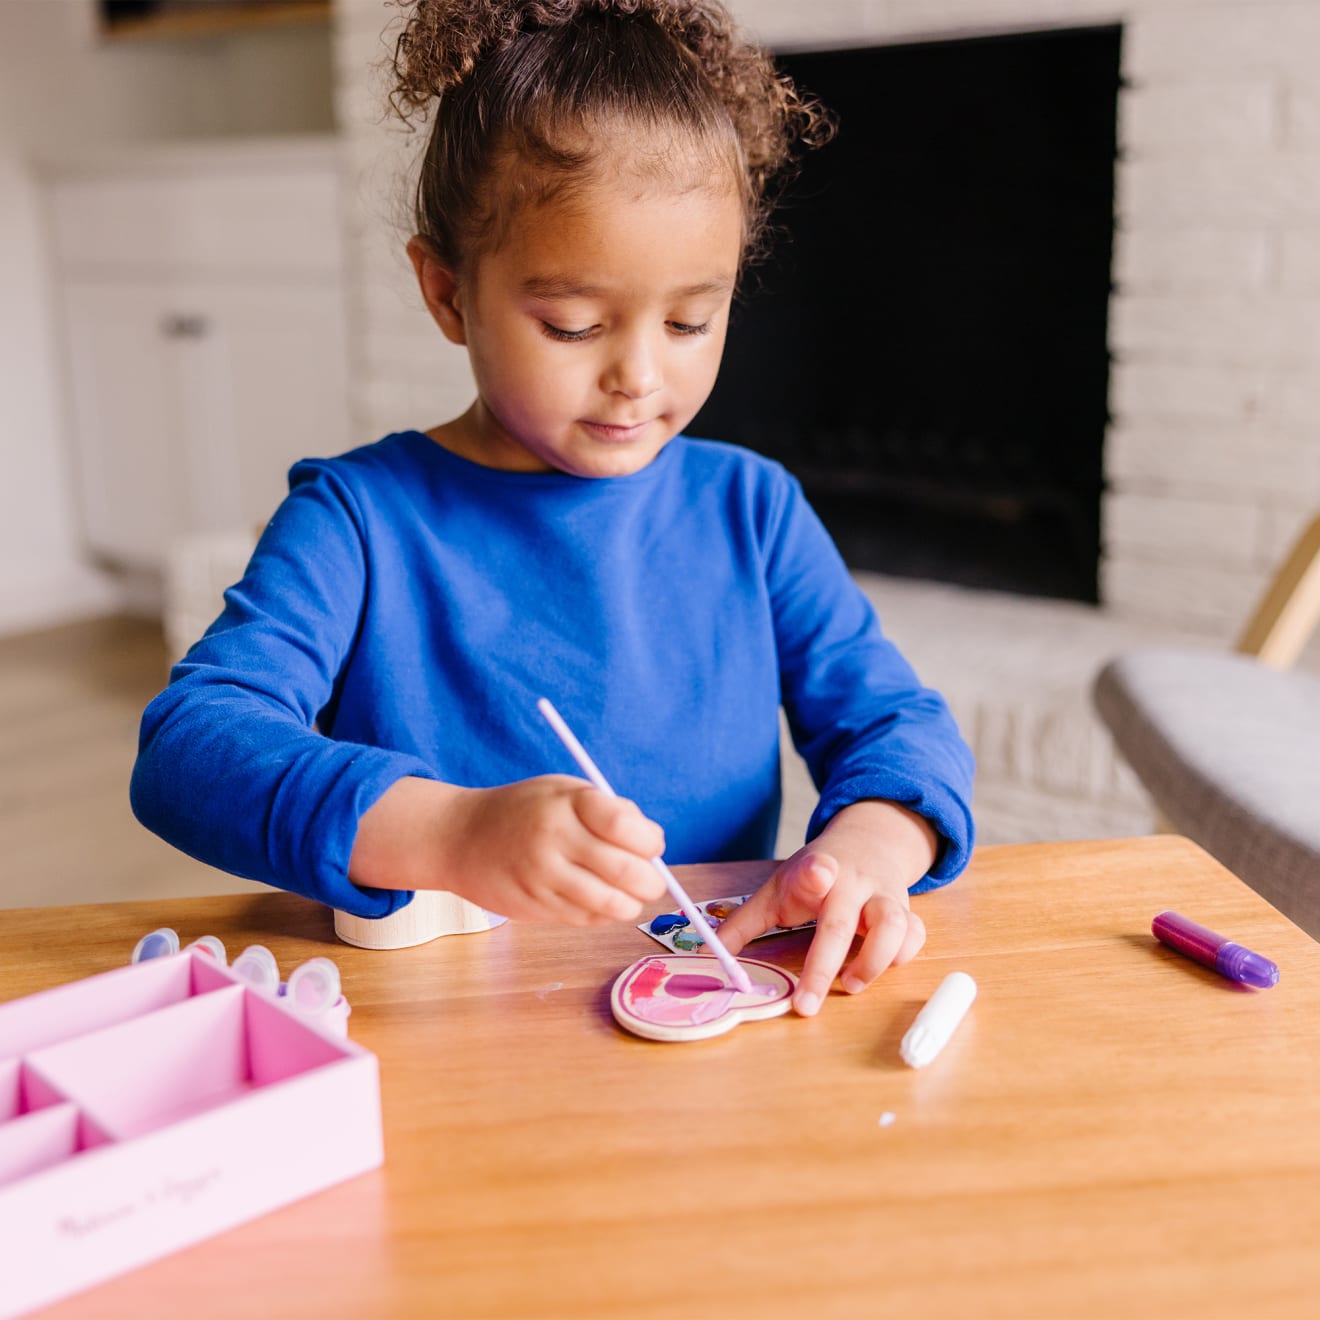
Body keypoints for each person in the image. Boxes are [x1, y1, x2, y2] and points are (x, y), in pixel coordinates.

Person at [131, 0, 975, 1018]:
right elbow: (190, 745)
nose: (639, 374)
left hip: (707, 1015)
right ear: (448, 294)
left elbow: (898, 723)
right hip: (447, 1031)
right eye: (573, 325)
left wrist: (872, 847)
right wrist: (445, 834)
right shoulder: (357, 519)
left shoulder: (754, 512)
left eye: (690, 318)